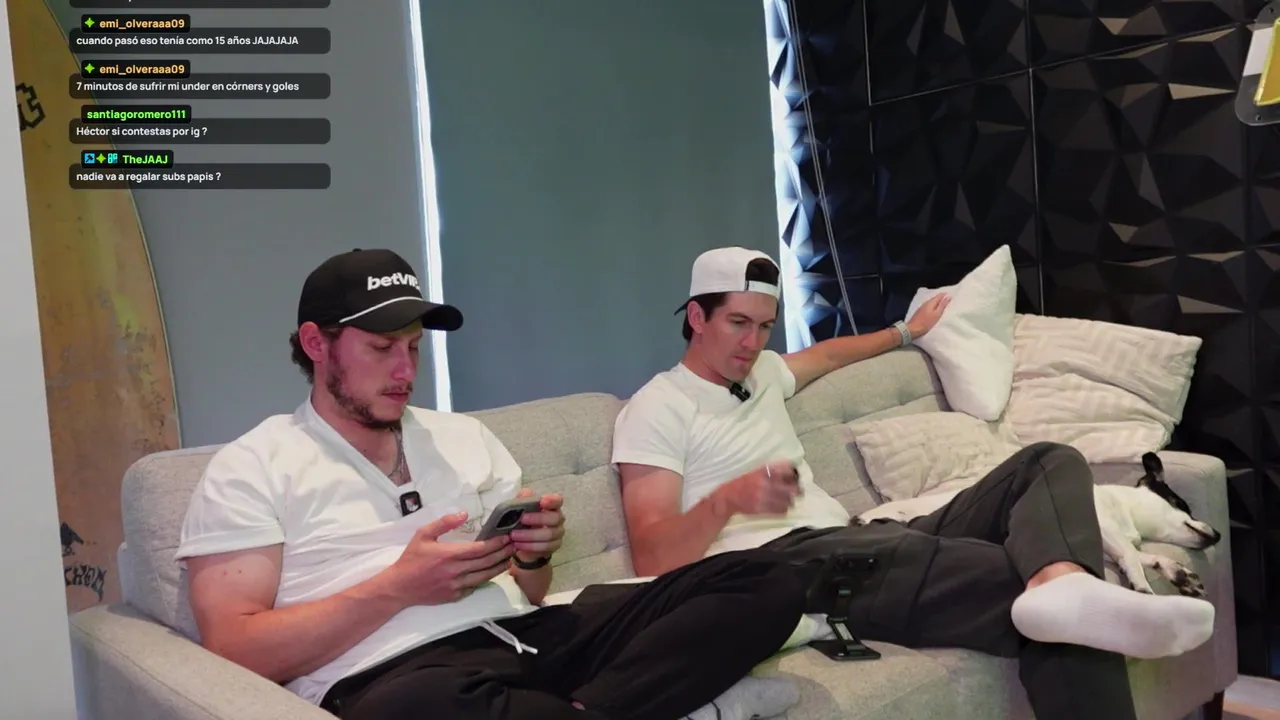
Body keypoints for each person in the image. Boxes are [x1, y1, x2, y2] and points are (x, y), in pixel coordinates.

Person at [174, 248, 808, 720]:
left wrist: (532, 553)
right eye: (382, 348)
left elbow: (533, 591)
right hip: (400, 678)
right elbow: (234, 648)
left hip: (529, 640)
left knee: (767, 579)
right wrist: (395, 588)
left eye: (414, 348)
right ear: (317, 343)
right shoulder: (254, 464)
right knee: (422, 708)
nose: (405, 370)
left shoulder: (462, 436)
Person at [612, 246, 1218, 720]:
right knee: (1014, 583)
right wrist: (727, 500)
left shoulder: (763, 371)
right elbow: (653, 558)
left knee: (1049, 461)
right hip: (783, 568)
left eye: (766, 326)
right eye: (738, 323)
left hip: (858, 537)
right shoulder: (658, 407)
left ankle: (1061, 581)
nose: (752, 343)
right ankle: (1064, 590)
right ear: (697, 317)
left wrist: (907, 331)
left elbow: (829, 356)